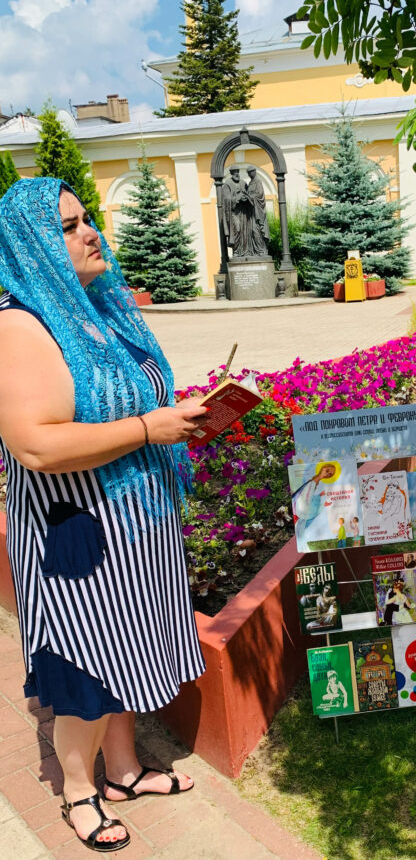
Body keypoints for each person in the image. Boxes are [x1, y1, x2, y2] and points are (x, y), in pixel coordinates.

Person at [0, 178, 210, 851]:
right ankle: (78, 792)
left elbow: (129, 399)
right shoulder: (20, 326)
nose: (89, 232)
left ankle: (122, 771)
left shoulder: (92, 305)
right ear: (30, 246)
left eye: (86, 218)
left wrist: (174, 418)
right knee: (86, 666)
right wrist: (150, 428)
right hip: (76, 534)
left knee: (123, 654)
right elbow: (35, 445)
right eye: (66, 227)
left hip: (131, 524)